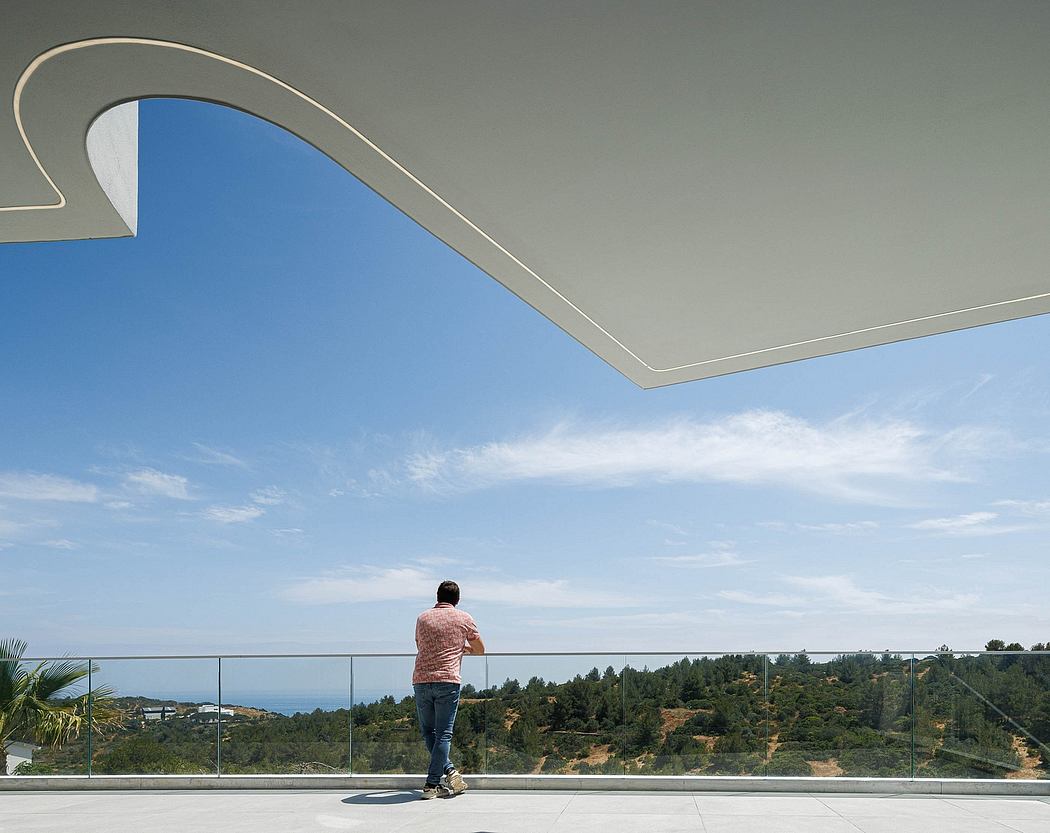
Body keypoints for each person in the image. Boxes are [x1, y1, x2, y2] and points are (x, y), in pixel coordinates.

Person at [412, 580, 484, 799]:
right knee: (444, 733)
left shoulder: (423, 618)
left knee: (428, 732)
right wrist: (462, 648)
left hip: (421, 679)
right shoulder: (464, 618)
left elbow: (419, 645)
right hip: (448, 680)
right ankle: (432, 784)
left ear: (437, 596)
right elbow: (480, 649)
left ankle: (450, 771)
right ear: (457, 599)